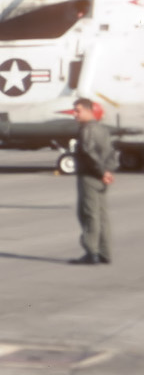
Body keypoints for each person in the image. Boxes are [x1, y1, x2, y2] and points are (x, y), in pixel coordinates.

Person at [70, 98, 118, 264]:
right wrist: (109, 171)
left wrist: (102, 171)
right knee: (102, 215)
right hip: (101, 178)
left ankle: (92, 252)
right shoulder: (102, 130)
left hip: (90, 176)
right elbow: (111, 152)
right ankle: (106, 252)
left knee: (89, 213)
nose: (75, 114)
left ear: (89, 111)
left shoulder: (87, 130)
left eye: (78, 110)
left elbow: (89, 153)